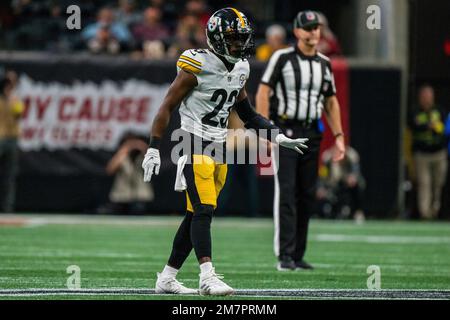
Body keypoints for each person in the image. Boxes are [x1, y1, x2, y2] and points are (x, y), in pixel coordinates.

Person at [141, 8, 309, 295]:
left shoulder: (241, 67)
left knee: (196, 215)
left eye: (242, 38)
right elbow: (166, 106)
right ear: (216, 39)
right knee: (204, 210)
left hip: (219, 147)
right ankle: (207, 276)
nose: (239, 45)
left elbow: (247, 113)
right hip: (192, 142)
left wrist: (277, 137)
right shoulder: (198, 65)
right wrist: (154, 149)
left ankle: (167, 278)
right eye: (233, 39)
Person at [255, 10, 345, 271]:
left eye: (316, 28)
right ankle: (284, 254)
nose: (313, 32)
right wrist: (266, 130)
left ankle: (298, 253)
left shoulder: (324, 63)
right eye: (307, 28)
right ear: (296, 32)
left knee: (307, 194)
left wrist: (339, 136)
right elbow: (263, 92)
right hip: (285, 131)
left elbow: (330, 101)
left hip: (311, 133)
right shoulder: (282, 58)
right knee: (286, 192)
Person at [408, 85, 447, 219]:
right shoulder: (415, 112)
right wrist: (426, 126)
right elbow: (412, 126)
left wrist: (438, 127)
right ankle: (425, 214)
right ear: (420, 97)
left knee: (438, 184)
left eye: (429, 96)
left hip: (438, 153)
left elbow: (445, 129)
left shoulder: (439, 111)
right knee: (424, 184)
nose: (427, 99)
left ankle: (435, 211)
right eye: (424, 96)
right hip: (422, 154)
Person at [104, 133, 154, 214]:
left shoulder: (142, 155)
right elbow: (110, 170)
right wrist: (124, 150)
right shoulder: (121, 156)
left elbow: (154, 165)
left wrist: (141, 146)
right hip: (121, 196)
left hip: (140, 195)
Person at [316, 146, 365, 221]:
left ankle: (357, 212)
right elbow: (322, 175)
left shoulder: (351, 156)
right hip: (333, 186)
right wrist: (320, 187)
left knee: (357, 185)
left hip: (348, 184)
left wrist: (353, 177)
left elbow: (356, 172)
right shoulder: (328, 159)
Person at [0, 70, 24, 212]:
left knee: (9, 175)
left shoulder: (15, 99)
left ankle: (7, 207)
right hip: (1, 138)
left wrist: (11, 98)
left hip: (12, 139)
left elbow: (19, 114)